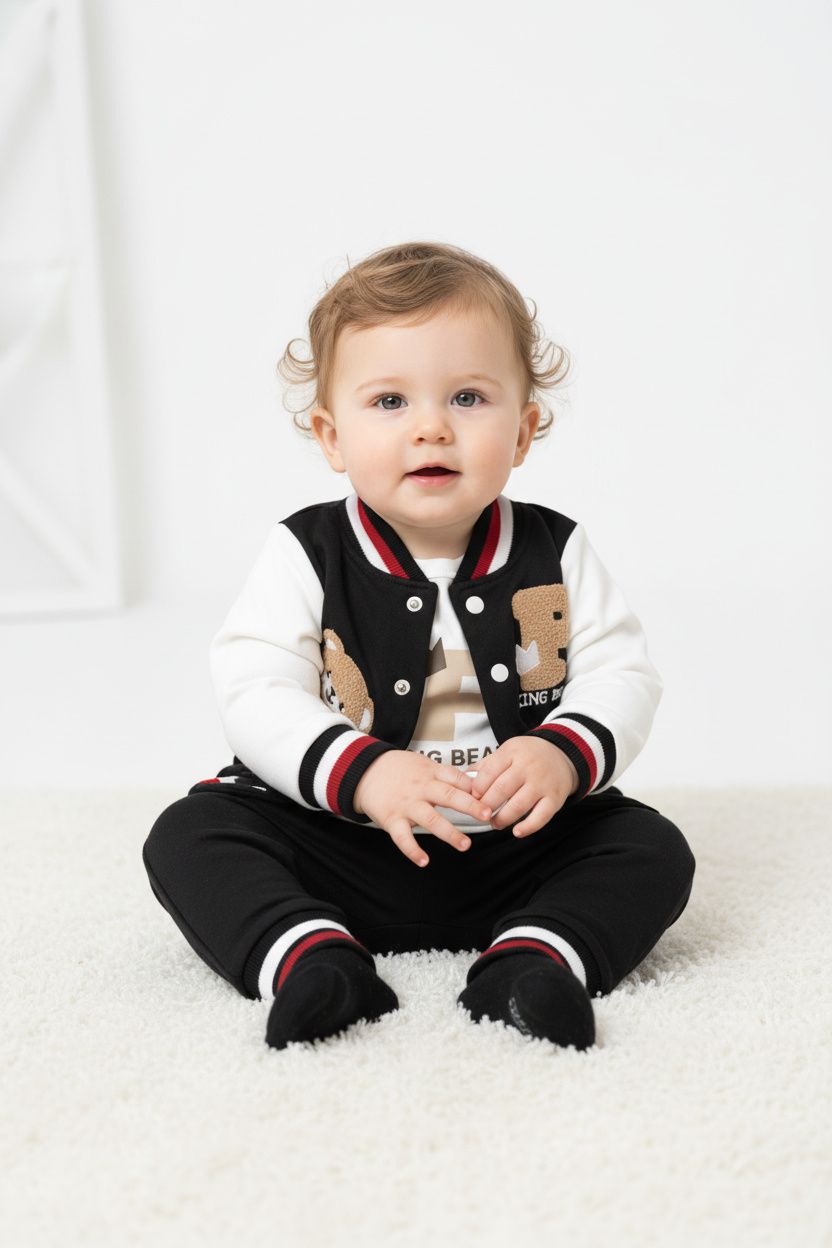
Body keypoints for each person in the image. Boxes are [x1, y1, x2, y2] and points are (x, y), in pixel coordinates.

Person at [142, 240, 695, 1053]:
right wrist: (362, 773)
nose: (431, 427)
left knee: (650, 848)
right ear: (331, 435)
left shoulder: (557, 550)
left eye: (468, 397)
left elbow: (622, 673)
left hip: (510, 841)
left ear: (524, 430)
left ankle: (534, 960)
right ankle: (313, 960)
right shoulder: (307, 552)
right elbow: (255, 689)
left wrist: (561, 753)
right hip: (342, 838)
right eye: (390, 401)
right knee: (190, 836)